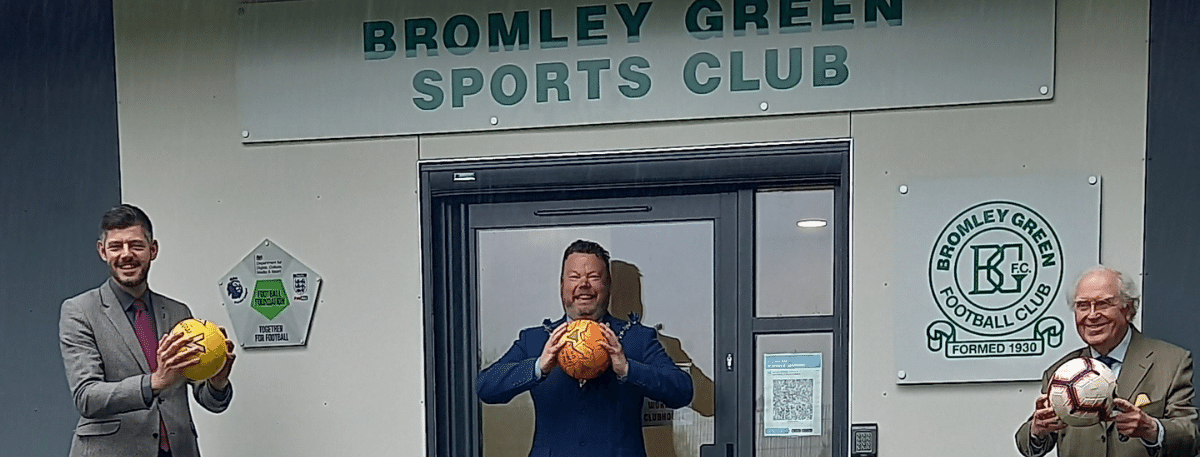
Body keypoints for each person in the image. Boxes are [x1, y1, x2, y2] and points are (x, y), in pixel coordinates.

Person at [476, 239, 693, 457]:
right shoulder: (535, 340)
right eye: (575, 277)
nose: (584, 284)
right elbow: (486, 387)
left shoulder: (638, 339)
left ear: (607, 286)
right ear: (562, 285)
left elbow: (683, 391)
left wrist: (628, 369)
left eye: (593, 277)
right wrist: (538, 367)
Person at [59, 204, 235, 457]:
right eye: (116, 246)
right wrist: (153, 383)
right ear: (102, 252)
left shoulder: (178, 313)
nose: (126, 254)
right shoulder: (80, 311)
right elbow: (87, 397)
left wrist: (217, 383)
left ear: (153, 250)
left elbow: (207, 398)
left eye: (136, 245)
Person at [1016, 266, 1200, 457]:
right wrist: (1037, 430)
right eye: (1083, 305)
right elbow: (1027, 446)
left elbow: (1191, 437)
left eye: (1103, 304)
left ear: (1128, 309)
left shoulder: (1171, 362)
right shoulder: (1061, 374)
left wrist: (1152, 429)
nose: (1092, 315)